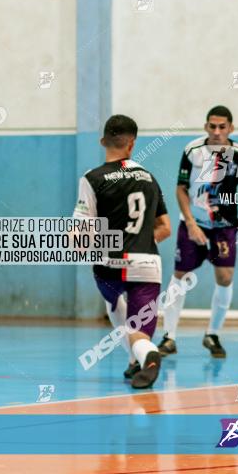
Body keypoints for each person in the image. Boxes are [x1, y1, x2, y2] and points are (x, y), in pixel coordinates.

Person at [72, 115, 171, 389]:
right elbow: (165, 227)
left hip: (109, 264)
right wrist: (137, 238)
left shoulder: (92, 178)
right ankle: (142, 357)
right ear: (132, 144)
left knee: (114, 303)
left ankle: (139, 357)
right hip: (147, 263)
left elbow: (80, 232)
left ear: (103, 141)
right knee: (140, 332)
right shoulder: (149, 179)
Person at [158, 106, 238, 358]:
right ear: (206, 127)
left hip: (225, 225)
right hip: (194, 223)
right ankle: (168, 337)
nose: (217, 132)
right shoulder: (193, 151)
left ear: (231, 128)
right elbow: (180, 189)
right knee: (180, 275)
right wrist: (191, 223)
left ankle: (212, 334)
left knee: (225, 277)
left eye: (222, 127)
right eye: (212, 126)